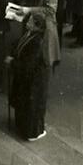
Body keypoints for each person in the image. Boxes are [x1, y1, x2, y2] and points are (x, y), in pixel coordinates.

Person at [8, 12, 51, 141]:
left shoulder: (37, 42)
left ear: (37, 26)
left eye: (30, 22)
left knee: (31, 106)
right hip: (26, 78)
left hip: (34, 81)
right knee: (24, 103)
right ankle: (22, 126)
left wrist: (12, 62)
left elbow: (28, 64)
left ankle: (31, 132)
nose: (27, 23)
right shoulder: (31, 34)